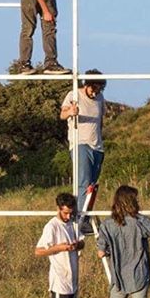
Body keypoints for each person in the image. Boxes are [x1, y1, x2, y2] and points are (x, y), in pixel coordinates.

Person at [35, 192, 84, 298]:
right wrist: (60, 248)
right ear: (58, 209)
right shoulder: (52, 226)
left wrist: (77, 245)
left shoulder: (72, 223)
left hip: (72, 279)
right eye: (65, 213)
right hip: (60, 280)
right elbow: (39, 251)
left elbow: (82, 242)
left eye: (70, 213)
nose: (68, 216)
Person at [60, 70, 106, 233]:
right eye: (94, 89)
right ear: (86, 85)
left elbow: (100, 121)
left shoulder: (100, 99)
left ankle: (86, 216)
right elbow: (62, 114)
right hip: (80, 143)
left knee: (92, 186)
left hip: (97, 147)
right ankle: (79, 218)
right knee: (83, 181)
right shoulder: (74, 94)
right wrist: (71, 112)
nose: (95, 93)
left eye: (99, 89)